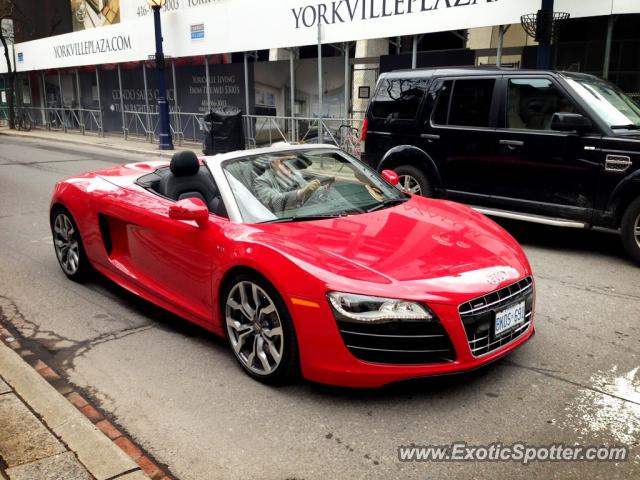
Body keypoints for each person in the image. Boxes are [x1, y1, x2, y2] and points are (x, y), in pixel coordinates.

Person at [254, 156, 321, 213]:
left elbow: (311, 190)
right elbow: (272, 202)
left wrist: (327, 187)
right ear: (273, 162)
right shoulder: (261, 181)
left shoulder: (294, 176)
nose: (289, 164)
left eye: (291, 161)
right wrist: (299, 193)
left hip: (304, 214)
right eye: (284, 162)